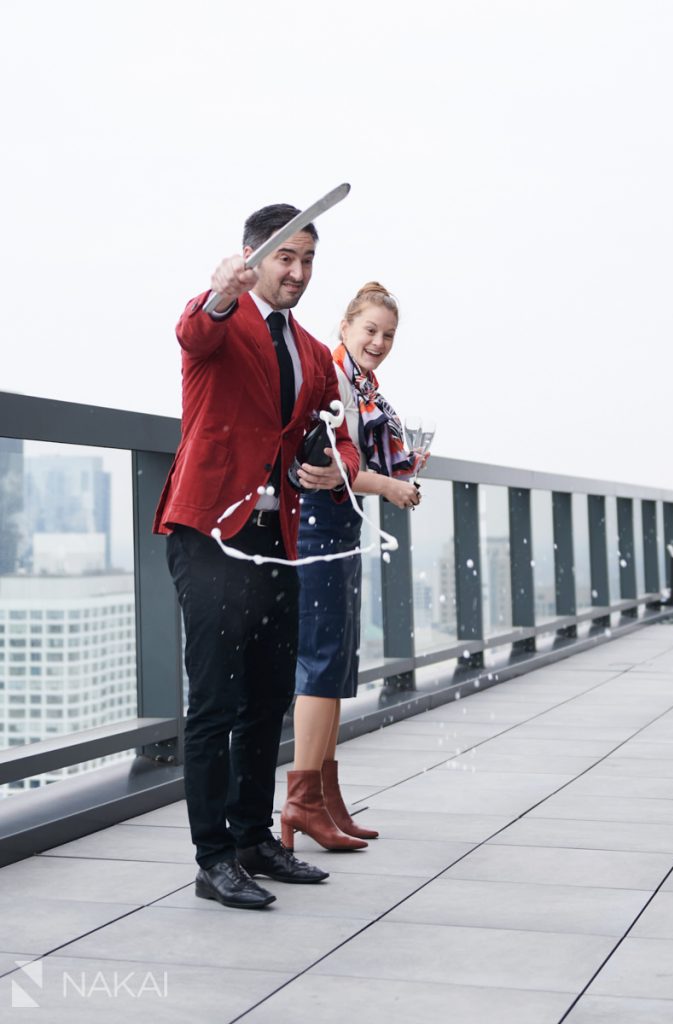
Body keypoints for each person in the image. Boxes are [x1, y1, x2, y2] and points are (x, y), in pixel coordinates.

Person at [154, 204, 360, 909]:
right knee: (214, 700)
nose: (298, 272)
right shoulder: (221, 317)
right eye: (286, 258)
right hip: (211, 534)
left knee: (269, 694)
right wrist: (221, 292)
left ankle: (251, 840)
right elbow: (192, 328)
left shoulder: (307, 350)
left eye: (308, 261)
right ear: (254, 255)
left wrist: (340, 465)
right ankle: (213, 859)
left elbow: (342, 430)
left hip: (280, 542)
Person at [281, 283, 421, 851]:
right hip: (318, 528)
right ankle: (300, 802)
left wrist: (398, 469)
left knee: (337, 662)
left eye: (388, 334)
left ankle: (326, 798)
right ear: (345, 326)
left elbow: (353, 460)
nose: (379, 342)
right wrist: (390, 484)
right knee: (319, 660)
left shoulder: (363, 386)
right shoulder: (332, 378)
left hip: (340, 527)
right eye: (370, 330)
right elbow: (330, 465)